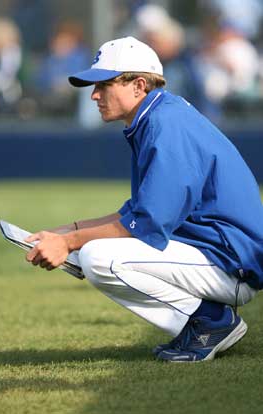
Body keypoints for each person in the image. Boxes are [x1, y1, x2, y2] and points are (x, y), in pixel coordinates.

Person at [25, 36, 263, 362]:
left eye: (104, 85)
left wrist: (72, 242)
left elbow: (147, 223)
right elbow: (136, 213)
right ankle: (204, 325)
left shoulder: (166, 124)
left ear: (138, 85)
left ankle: (213, 322)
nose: (94, 94)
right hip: (215, 253)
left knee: (97, 256)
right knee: (87, 248)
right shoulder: (158, 116)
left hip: (230, 263)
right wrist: (67, 233)